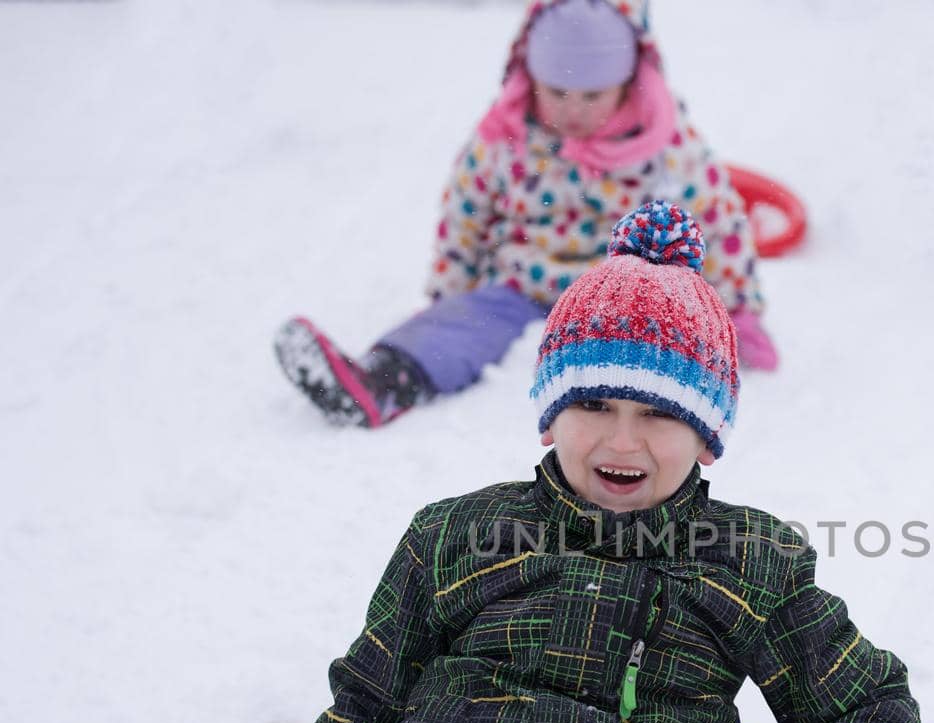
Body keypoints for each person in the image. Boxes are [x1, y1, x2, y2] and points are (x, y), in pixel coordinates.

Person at [248, 203, 919, 723]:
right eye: (594, 402)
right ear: (548, 412)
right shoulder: (456, 538)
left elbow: (862, 704)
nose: (622, 439)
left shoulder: (746, 560)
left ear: (709, 435)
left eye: (661, 413)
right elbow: (366, 712)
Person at [275, 0, 778, 430]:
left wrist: (737, 312)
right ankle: (382, 380)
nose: (573, 109)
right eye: (557, 92)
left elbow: (719, 220)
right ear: (530, 75)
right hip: (523, 290)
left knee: (652, 351)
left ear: (628, 83)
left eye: (592, 96)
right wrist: (451, 297)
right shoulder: (508, 138)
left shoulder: (661, 146)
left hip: (622, 296)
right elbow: (466, 215)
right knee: (462, 327)